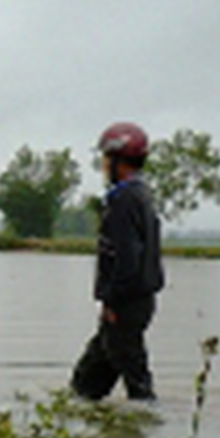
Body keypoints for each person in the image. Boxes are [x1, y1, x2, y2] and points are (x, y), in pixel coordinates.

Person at [69, 121, 166, 402]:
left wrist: (112, 300)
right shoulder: (141, 196)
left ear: (118, 161)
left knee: (137, 380)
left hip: (125, 304)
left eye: (105, 159)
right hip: (137, 300)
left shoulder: (124, 201)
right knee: (87, 382)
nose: (102, 166)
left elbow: (127, 258)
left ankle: (147, 429)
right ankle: (93, 428)